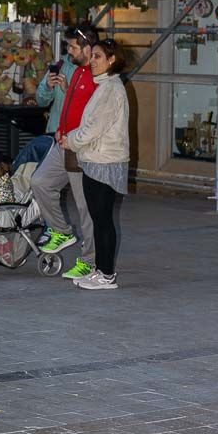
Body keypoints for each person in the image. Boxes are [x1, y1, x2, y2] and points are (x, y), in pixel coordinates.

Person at [31, 23, 98, 281]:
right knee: (39, 182)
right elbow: (43, 101)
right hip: (61, 140)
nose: (67, 50)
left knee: (85, 207)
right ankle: (62, 231)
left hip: (81, 146)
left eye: (72, 45)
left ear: (86, 47)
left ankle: (90, 261)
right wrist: (49, 87)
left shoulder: (92, 74)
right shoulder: (64, 66)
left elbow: (91, 114)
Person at [61, 39, 130, 291]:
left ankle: (106, 275)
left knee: (102, 220)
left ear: (112, 60)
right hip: (96, 160)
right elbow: (90, 125)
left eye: (98, 57)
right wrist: (72, 137)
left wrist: (72, 141)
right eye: (93, 57)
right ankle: (101, 270)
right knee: (99, 218)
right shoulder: (105, 87)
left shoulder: (111, 89)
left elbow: (94, 129)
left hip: (105, 162)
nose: (92, 62)